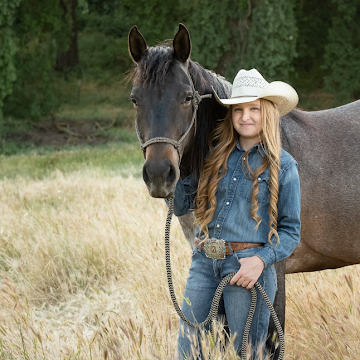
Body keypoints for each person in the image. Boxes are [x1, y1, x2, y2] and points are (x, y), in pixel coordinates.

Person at [172, 69, 301, 359]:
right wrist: (172, 165)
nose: (246, 116)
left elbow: (291, 232)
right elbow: (181, 205)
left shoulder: (284, 166)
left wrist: (260, 261)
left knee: (250, 353)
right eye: (238, 109)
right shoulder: (211, 156)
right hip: (205, 265)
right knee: (188, 350)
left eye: (254, 108)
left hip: (247, 269)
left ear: (266, 112)